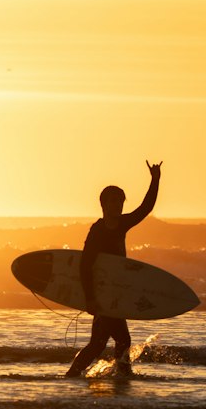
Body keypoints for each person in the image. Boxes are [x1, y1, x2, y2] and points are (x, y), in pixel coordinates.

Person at [65, 161, 162, 378]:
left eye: (120, 201)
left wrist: (155, 180)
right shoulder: (97, 231)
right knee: (103, 343)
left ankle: (117, 373)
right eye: (113, 201)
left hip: (116, 293)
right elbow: (85, 265)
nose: (118, 205)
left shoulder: (122, 224)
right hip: (102, 294)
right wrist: (90, 298)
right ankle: (108, 374)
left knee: (109, 342)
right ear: (103, 204)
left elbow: (145, 208)